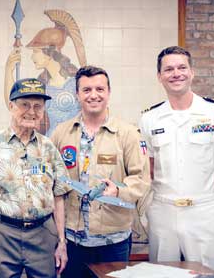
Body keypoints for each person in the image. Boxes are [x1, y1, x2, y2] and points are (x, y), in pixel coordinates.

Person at [138, 46, 214, 276]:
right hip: (163, 211)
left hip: (203, 210)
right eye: (168, 69)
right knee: (162, 273)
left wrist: (204, 193)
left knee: (211, 273)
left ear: (192, 72)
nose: (176, 73)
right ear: (159, 77)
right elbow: (150, 167)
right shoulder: (148, 118)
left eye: (181, 67)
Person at [50, 65, 151, 277]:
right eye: (86, 90)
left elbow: (141, 179)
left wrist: (119, 191)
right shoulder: (61, 132)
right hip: (72, 238)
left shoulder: (128, 133)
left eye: (99, 89)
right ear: (77, 94)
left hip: (113, 239)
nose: (93, 95)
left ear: (109, 93)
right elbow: (52, 180)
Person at [0, 78, 71, 278]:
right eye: (25, 104)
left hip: (43, 232)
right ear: (11, 106)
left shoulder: (49, 147)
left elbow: (59, 197)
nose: (32, 111)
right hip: (2, 233)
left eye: (38, 106)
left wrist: (62, 242)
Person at [4, 9, 87, 136]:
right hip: (49, 147)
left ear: (49, 53)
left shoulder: (77, 83)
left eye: (35, 52)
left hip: (75, 146)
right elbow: (14, 103)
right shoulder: (42, 87)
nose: (32, 57)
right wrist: (8, 71)